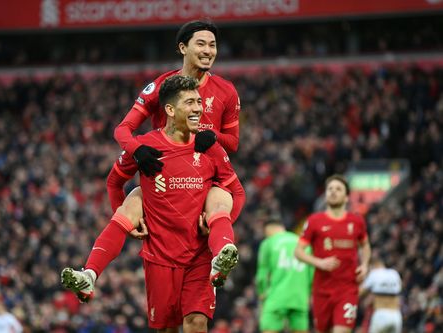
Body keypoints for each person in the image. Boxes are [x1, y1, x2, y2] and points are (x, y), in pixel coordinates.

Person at [61, 75, 244, 332]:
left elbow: (238, 192)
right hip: (160, 255)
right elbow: (114, 183)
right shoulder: (146, 146)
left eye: (199, 102)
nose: (198, 109)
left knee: (196, 321)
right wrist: (129, 220)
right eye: (190, 103)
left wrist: (218, 228)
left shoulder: (209, 147)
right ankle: (89, 274)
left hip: (199, 255)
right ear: (170, 109)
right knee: (165, 328)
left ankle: (221, 255)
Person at [109, 19, 244, 287]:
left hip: (204, 181)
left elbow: (233, 143)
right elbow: (123, 129)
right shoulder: (161, 87)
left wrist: (213, 135)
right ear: (183, 47)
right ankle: (90, 273)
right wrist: (138, 150)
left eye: (213, 45)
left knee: (197, 315)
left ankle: (220, 259)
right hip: (166, 184)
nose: (208, 51)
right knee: (165, 320)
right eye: (201, 44)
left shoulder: (226, 91)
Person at [294, 174, 371, 333]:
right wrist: (319, 262)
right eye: (330, 189)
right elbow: (298, 252)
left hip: (347, 289)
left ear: (346, 197)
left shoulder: (356, 221)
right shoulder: (315, 221)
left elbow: (365, 245)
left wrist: (364, 265)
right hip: (322, 290)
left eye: (338, 189)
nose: (333, 192)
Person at [256, 215, 313, 333]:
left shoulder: (268, 243)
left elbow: (262, 274)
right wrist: (309, 294)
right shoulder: (302, 243)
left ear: (268, 230)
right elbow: (312, 272)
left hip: (276, 297)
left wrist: (262, 293)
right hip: (300, 298)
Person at [360, 256, 403, 333]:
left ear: (373, 266)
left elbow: (359, 292)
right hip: (396, 315)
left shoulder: (374, 274)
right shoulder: (394, 273)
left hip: (381, 315)